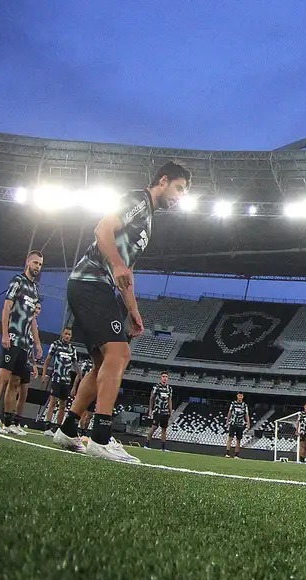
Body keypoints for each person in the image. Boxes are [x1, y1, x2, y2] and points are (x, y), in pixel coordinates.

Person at [52, 161, 192, 462]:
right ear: (163, 180)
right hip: (91, 282)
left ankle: (68, 428)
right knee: (120, 354)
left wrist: (134, 310)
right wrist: (115, 264)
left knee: (103, 360)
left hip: (96, 286)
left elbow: (126, 270)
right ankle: (101, 437)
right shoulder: (138, 201)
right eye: (179, 188)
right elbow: (102, 229)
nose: (180, 196)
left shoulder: (148, 218)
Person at [0, 251, 43, 436]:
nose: (37, 267)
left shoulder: (35, 289)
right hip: (13, 336)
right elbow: (7, 307)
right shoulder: (17, 280)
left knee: (15, 382)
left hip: (25, 343)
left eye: (40, 265)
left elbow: (32, 319)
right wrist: (5, 334)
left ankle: (9, 422)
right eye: (35, 263)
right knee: (3, 376)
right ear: (27, 262)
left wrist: (38, 344)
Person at [40, 327, 78, 436]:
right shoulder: (55, 345)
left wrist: (80, 377)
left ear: (71, 336)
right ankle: (47, 427)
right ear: (62, 334)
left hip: (66, 381)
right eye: (66, 334)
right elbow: (47, 360)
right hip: (56, 378)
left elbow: (75, 365)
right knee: (52, 402)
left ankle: (58, 429)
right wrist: (44, 374)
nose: (67, 336)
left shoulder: (72, 349)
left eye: (69, 334)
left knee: (63, 405)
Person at [144, 372, 173, 450]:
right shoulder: (156, 387)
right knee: (154, 427)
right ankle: (147, 444)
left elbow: (170, 400)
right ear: (161, 377)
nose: (165, 378)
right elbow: (151, 398)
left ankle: (163, 447)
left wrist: (170, 411)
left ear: (168, 378)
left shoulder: (169, 388)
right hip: (157, 410)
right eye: (163, 376)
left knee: (164, 429)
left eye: (166, 376)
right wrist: (150, 409)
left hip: (165, 411)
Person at [224, 392, 251, 459]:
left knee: (238, 440)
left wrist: (248, 423)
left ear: (242, 397)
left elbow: (246, 414)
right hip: (233, 423)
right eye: (239, 396)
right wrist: (227, 420)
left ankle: (236, 455)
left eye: (241, 396)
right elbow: (230, 412)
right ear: (237, 396)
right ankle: (227, 453)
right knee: (230, 438)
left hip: (240, 425)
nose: (240, 397)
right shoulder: (233, 404)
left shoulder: (244, 405)